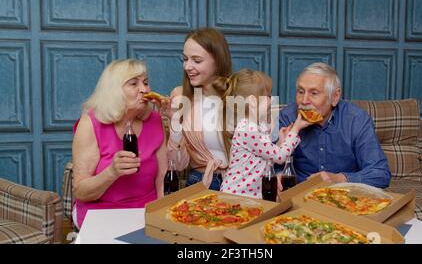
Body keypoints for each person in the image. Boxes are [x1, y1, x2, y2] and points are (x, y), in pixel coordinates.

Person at [71, 59, 167, 228]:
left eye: (145, 83)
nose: (144, 89)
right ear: (114, 91)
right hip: (100, 211)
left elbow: (162, 178)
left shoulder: (155, 120)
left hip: (146, 210)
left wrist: (163, 218)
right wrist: (112, 172)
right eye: (133, 84)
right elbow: (81, 191)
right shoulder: (90, 124)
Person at [278, 62, 391, 188]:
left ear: (335, 97)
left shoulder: (356, 120)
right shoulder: (287, 117)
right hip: (299, 193)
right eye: (300, 92)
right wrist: (277, 176)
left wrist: (338, 178)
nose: (304, 101)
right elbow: (273, 164)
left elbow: (381, 173)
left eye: (314, 93)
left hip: (344, 196)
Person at [157, 27, 232, 190]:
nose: (187, 66)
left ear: (218, 61)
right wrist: (175, 123)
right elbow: (177, 165)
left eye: (197, 60)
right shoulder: (180, 96)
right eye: (185, 59)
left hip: (239, 182)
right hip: (200, 181)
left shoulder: (239, 94)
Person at [217, 69, 311, 198]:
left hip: (252, 194)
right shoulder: (248, 131)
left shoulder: (259, 126)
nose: (271, 100)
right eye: (268, 96)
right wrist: (296, 129)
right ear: (252, 102)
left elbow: (266, 154)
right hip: (236, 195)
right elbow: (280, 157)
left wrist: (280, 141)